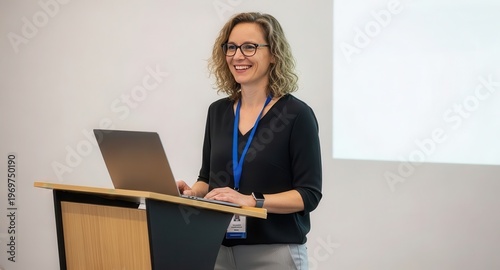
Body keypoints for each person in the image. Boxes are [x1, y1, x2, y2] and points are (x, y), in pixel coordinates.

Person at [176, 12, 322, 270]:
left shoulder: (297, 115)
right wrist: (190, 193)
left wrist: (252, 200)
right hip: (217, 250)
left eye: (249, 47)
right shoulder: (217, 111)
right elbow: (207, 179)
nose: (237, 56)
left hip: (274, 254)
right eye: (231, 47)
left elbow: (308, 195)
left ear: (274, 54)